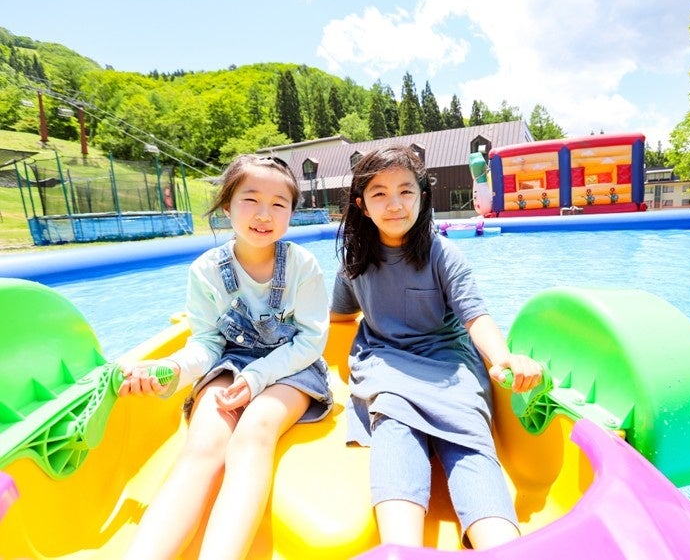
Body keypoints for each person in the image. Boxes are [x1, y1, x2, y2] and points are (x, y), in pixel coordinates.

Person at [119, 154, 332, 560]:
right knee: (203, 445)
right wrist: (174, 368)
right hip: (230, 362)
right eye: (250, 199)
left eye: (279, 204)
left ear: (291, 213)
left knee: (254, 431)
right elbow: (206, 344)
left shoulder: (302, 265)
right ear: (227, 205)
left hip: (292, 366)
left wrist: (258, 378)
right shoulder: (206, 270)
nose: (264, 214)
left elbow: (309, 342)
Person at [330, 145, 543, 550]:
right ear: (362, 205)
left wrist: (502, 359)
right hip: (387, 363)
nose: (395, 204)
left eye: (405, 191)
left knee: (467, 434)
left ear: (422, 196)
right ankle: (401, 550)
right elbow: (339, 318)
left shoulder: (443, 253)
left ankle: (503, 548)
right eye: (379, 194)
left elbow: (475, 316)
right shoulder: (355, 260)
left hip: (448, 365)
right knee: (394, 423)